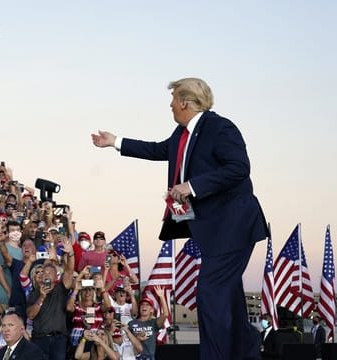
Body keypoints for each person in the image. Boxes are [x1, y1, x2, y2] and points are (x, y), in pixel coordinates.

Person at [91, 77, 269, 360]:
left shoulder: (220, 127)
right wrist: (116, 142)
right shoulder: (181, 134)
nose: (170, 105)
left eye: (173, 99)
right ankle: (246, 353)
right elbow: (157, 150)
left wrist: (192, 186)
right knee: (229, 299)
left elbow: (239, 168)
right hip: (214, 234)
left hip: (233, 227)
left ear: (186, 102)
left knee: (210, 296)